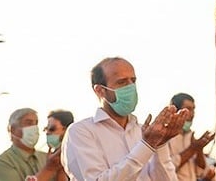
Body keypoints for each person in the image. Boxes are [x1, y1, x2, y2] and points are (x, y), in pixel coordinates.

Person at [62, 57, 191, 181]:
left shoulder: (143, 131)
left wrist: (160, 145)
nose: (131, 87)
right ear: (100, 91)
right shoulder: (81, 131)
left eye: (133, 81)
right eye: (122, 82)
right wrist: (146, 146)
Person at [0, 107, 63, 181]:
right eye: (29, 123)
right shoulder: (4, 162)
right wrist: (49, 169)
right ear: (13, 130)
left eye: (36, 123)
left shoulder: (46, 158)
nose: (34, 128)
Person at [166, 93, 215, 181]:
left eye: (193, 109)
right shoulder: (164, 137)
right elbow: (166, 167)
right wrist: (192, 149)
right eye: (188, 109)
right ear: (176, 110)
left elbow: (202, 171)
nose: (192, 114)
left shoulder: (190, 136)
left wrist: (199, 149)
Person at [45, 109, 74, 181]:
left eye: (52, 129)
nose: (47, 133)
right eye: (46, 129)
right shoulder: (49, 159)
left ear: (66, 130)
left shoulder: (76, 155)